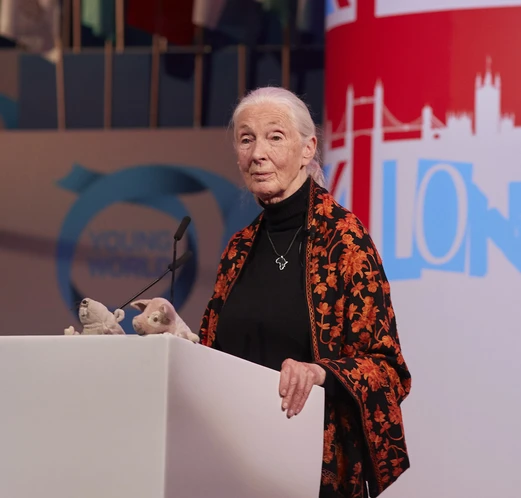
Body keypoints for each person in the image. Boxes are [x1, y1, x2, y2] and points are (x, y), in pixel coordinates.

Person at [199, 86, 411, 498]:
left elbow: (387, 370)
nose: (257, 153)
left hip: (315, 469)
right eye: (246, 139)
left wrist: (319, 373)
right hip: (232, 465)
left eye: (275, 137)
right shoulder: (238, 249)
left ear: (307, 148)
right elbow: (211, 357)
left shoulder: (344, 240)